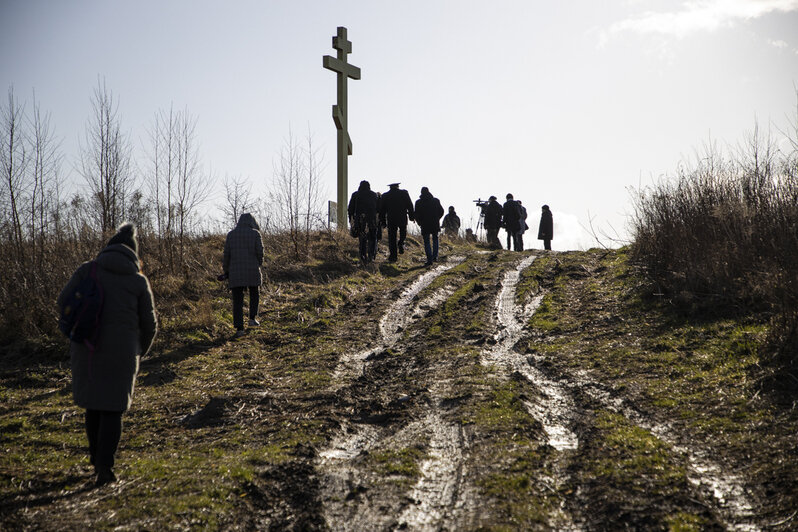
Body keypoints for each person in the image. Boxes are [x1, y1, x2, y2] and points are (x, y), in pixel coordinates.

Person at [57, 223, 157, 487]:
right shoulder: (138, 281)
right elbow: (150, 324)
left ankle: (95, 460)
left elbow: (63, 302)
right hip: (123, 352)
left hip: (86, 347)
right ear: (133, 253)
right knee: (113, 409)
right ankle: (105, 466)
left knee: (93, 405)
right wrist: (139, 351)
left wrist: (72, 334)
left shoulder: (87, 270)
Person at [223, 212, 264, 338]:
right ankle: (252, 319)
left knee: (237, 300)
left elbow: (226, 255)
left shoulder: (231, 235)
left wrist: (226, 270)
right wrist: (259, 263)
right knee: (254, 293)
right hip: (252, 269)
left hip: (235, 271)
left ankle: (239, 328)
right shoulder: (255, 234)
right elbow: (260, 252)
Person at [377, 182, 414, 262]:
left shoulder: (385, 195)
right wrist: (411, 216)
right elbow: (410, 205)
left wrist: (383, 221)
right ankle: (401, 243)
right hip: (402, 217)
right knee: (403, 232)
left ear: (390, 188)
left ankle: (393, 256)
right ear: (398, 186)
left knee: (392, 238)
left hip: (391, 219)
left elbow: (382, 210)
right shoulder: (404, 193)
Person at [348, 180, 379, 264]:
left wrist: (351, 221)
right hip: (371, 220)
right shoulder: (373, 195)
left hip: (360, 220)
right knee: (372, 238)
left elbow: (350, 209)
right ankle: (371, 256)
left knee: (362, 239)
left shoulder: (355, 195)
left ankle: (363, 256)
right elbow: (378, 208)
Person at [414, 186, 444, 266]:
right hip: (435, 224)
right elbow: (441, 211)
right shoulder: (436, 201)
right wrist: (437, 218)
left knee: (426, 241)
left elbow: (416, 214)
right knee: (435, 239)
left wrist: (420, 222)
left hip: (425, 225)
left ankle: (429, 259)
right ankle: (435, 257)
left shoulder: (418, 202)